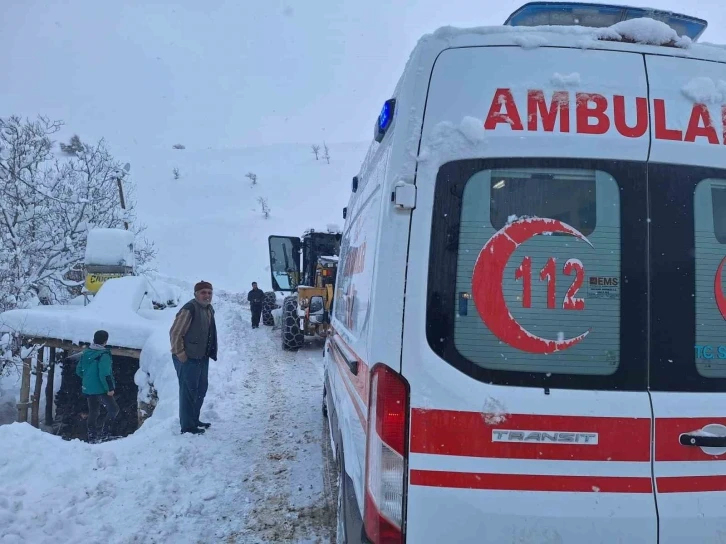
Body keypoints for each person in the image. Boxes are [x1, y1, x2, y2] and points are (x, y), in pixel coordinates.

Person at [169, 280, 218, 435]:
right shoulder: (189, 309)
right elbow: (175, 333)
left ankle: (194, 419)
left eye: (209, 292)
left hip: (201, 357)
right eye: (203, 292)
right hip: (187, 357)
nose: (207, 295)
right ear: (196, 294)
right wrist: (180, 353)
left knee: (200, 389)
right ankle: (187, 426)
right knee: (188, 392)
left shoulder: (209, 309)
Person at [75, 330, 120, 443]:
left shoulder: (86, 352)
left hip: (88, 388)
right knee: (114, 409)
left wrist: (88, 380)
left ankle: (92, 436)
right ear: (105, 341)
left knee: (94, 411)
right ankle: (106, 433)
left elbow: (79, 370)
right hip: (101, 388)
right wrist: (110, 388)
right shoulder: (104, 355)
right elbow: (105, 374)